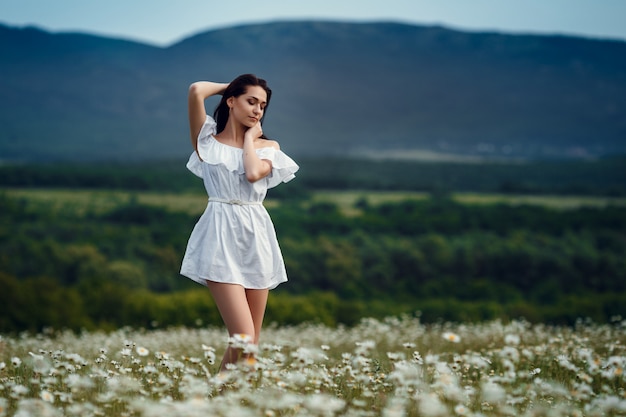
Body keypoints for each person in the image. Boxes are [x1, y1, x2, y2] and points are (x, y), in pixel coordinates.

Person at [180, 74, 299, 372]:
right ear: (231, 102)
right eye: (251, 101)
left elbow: (253, 174)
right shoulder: (207, 141)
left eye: (263, 105)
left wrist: (249, 139)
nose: (258, 109)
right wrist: (230, 86)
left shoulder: (268, 146)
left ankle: (220, 404)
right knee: (243, 337)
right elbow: (196, 90)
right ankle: (212, 403)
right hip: (219, 236)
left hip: (256, 236)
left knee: (250, 350)